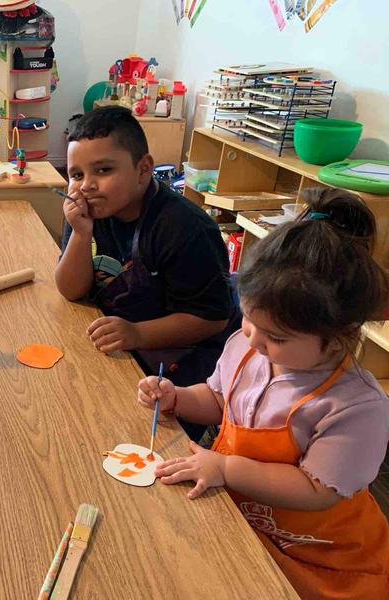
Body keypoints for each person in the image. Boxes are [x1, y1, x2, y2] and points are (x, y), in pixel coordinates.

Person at [138, 188, 389, 598]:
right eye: (248, 319)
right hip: (245, 524)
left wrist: (225, 469)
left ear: (339, 335)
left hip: (325, 558)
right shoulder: (245, 345)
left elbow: (317, 491)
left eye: (275, 337)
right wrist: (177, 397)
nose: (252, 341)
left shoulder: (356, 407)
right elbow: (219, 401)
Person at [56, 106, 237, 438]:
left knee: (138, 443)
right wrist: (81, 235)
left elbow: (212, 319)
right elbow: (71, 290)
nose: (86, 186)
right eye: (77, 174)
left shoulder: (185, 229)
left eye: (104, 170)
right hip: (120, 345)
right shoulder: (85, 212)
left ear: (143, 169)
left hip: (182, 363)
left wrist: (136, 333)